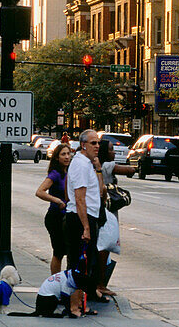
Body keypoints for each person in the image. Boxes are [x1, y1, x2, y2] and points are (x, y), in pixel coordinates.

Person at [65, 129, 105, 317]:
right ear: (83, 145)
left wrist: (97, 167)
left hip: (87, 217)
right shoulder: (80, 164)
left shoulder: (87, 164)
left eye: (98, 143)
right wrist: (86, 227)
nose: (97, 146)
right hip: (81, 219)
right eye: (93, 143)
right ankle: (73, 306)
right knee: (77, 265)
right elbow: (79, 198)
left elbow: (100, 190)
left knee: (86, 265)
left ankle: (81, 304)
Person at [94, 139, 135, 300]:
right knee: (104, 248)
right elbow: (129, 170)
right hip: (107, 212)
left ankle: (100, 283)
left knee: (103, 248)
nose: (114, 152)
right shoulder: (107, 166)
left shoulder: (98, 165)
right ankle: (100, 285)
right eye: (111, 149)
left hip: (102, 211)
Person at [35, 142, 71, 274]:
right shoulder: (55, 174)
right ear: (57, 157)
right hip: (56, 217)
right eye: (63, 154)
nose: (67, 157)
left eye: (68, 154)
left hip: (68, 216)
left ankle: (68, 281)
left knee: (70, 251)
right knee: (59, 252)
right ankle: (54, 281)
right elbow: (40, 192)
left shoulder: (69, 172)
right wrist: (56, 200)